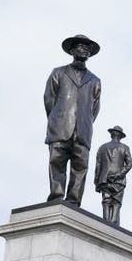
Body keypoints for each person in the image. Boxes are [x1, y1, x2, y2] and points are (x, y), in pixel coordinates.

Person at [44, 34, 102, 207]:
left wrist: (84, 123)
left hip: (83, 132)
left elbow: (95, 108)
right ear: (72, 50)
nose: (85, 50)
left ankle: (74, 201)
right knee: (57, 162)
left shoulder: (95, 80)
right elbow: (49, 100)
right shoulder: (58, 73)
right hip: (60, 127)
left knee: (80, 167)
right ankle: (56, 196)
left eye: (88, 48)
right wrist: (57, 119)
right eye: (80, 46)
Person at [94, 126, 132, 225]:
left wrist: (97, 182)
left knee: (106, 201)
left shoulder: (102, 148)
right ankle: (113, 224)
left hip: (104, 180)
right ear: (120, 136)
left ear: (112, 134)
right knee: (116, 202)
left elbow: (98, 166)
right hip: (119, 181)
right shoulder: (125, 148)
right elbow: (129, 165)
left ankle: (106, 223)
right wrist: (118, 175)